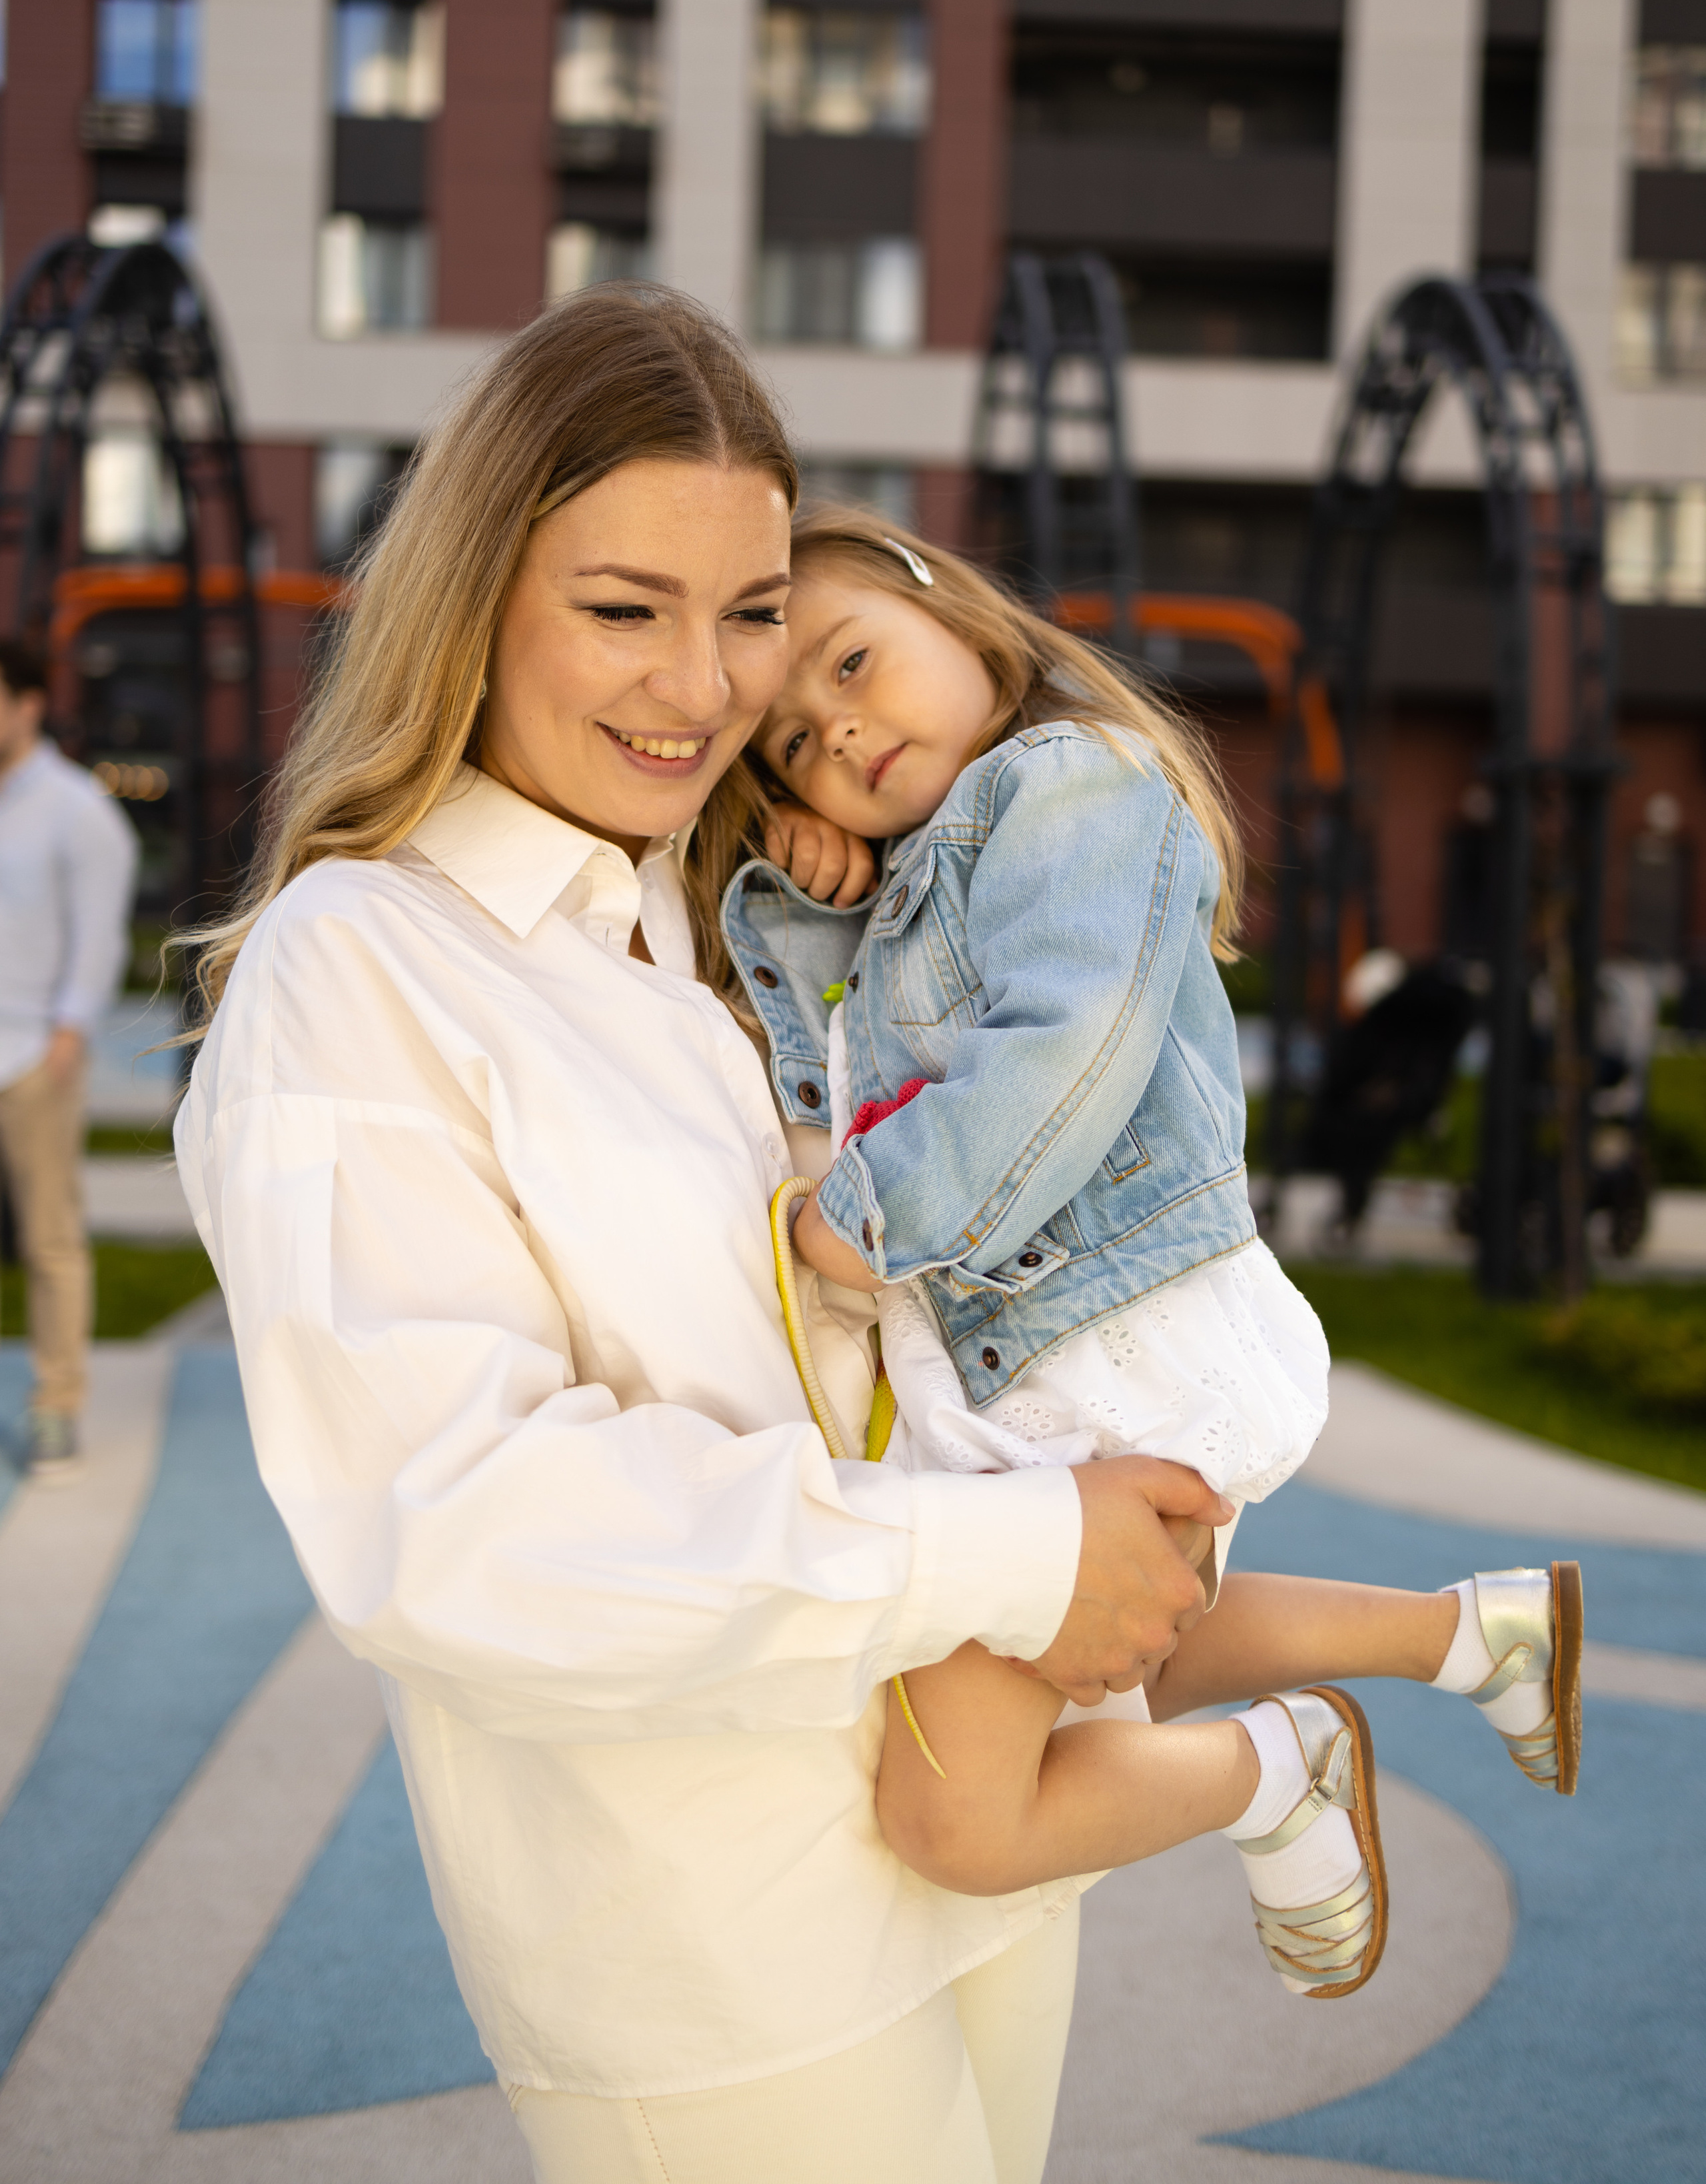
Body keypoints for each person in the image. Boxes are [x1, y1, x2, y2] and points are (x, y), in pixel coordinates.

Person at [174, 288, 1230, 2184]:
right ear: (475, 593)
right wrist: (1007, 1548)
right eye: (621, 609)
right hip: (715, 1942)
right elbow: (460, 1528)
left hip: (969, 1829)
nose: (701, 687)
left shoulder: (746, 916)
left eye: (751, 615)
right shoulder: (359, 969)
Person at [725, 507, 1584, 2001]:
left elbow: (1061, 1056)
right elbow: (853, 1061)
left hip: (1090, 1351)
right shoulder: (927, 865)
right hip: (1042, 1354)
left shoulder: (1069, 788)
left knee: (953, 1816)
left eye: (851, 662)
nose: (839, 730)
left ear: (957, 613)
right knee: (1136, 1648)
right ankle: (1474, 1635)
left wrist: (846, 1227)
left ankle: (1273, 1772)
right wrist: (813, 907)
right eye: (792, 745)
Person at [0, 637, 139, 1480]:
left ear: (28, 706)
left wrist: (67, 1034)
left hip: (30, 1057)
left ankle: (57, 1403)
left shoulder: (77, 809)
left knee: (50, 1238)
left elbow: (99, 933)